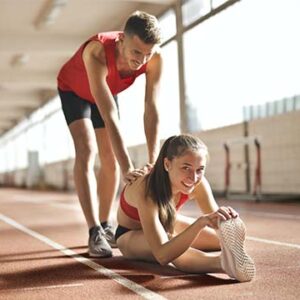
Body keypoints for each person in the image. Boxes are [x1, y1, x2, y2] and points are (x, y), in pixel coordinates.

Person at [57, 11, 162, 257]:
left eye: (147, 54)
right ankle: (94, 230)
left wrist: (154, 160)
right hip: (74, 89)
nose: (141, 60)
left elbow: (151, 109)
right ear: (121, 40)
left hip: (106, 87)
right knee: (87, 149)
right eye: (136, 52)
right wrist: (128, 168)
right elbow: (109, 116)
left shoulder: (154, 59)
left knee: (110, 156)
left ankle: (106, 225)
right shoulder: (96, 53)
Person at [116, 134, 256, 282]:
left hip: (167, 222)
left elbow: (218, 225)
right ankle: (222, 264)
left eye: (200, 169)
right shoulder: (148, 190)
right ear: (167, 164)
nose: (193, 178)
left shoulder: (198, 184)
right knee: (171, 246)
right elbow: (162, 255)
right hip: (130, 234)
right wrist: (199, 223)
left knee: (219, 239)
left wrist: (224, 217)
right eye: (186, 168)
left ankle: (229, 257)